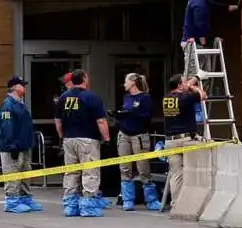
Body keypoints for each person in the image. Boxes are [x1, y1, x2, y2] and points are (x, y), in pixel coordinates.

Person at [55, 69, 111, 217]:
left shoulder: (64, 97)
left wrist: (62, 137)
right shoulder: (92, 97)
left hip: (69, 139)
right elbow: (101, 120)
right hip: (87, 139)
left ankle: (71, 206)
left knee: (71, 171)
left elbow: (58, 121)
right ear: (85, 79)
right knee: (90, 171)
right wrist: (107, 138)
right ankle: (88, 206)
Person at [114, 73, 161, 211]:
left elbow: (147, 117)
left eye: (125, 81)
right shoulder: (126, 97)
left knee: (143, 168)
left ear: (133, 82)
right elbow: (125, 113)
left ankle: (151, 200)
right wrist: (119, 115)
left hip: (139, 135)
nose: (124, 84)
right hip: (124, 134)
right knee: (125, 167)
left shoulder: (145, 97)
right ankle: (127, 199)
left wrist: (132, 114)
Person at [0, 76, 43, 214]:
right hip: (14, 148)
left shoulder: (19, 104)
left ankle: (25, 199)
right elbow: (7, 127)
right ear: (14, 87)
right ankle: (12, 202)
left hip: (24, 146)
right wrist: (11, 145)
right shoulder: (8, 105)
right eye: (21, 85)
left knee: (24, 173)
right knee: (13, 174)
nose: (24, 87)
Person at [181, 0, 241, 74]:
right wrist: (203, 40)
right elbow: (199, 23)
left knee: (200, 75)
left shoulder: (199, 0)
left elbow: (215, 6)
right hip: (195, 45)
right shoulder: (198, 3)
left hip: (193, 43)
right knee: (198, 76)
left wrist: (232, 7)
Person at [162, 74, 207, 204]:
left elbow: (184, 88)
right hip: (185, 140)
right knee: (192, 173)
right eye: (184, 82)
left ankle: (176, 204)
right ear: (180, 85)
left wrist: (195, 78)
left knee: (176, 175)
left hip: (170, 141)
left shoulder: (166, 98)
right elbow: (203, 95)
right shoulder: (185, 97)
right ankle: (190, 203)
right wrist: (194, 86)